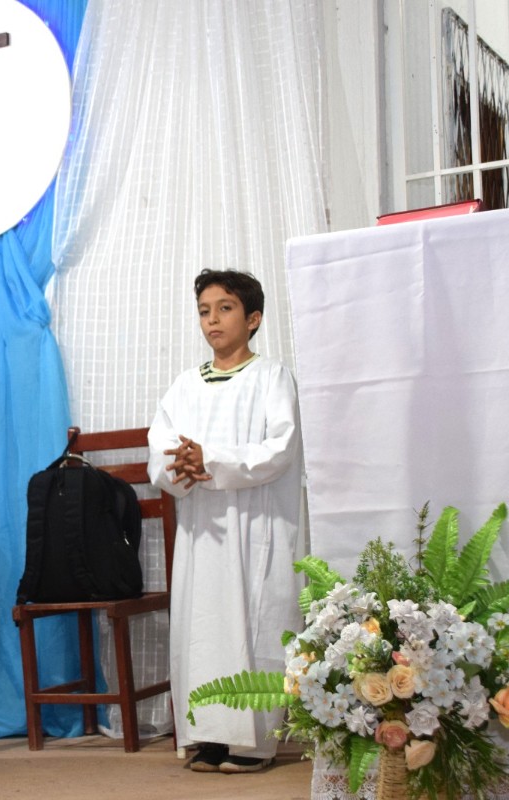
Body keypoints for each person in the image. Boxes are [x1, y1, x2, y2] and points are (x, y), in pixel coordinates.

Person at [146, 269, 302, 774]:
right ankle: (209, 733)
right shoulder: (185, 384)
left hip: (255, 524)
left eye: (225, 308)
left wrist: (208, 460)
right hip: (202, 525)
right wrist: (180, 466)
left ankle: (253, 741)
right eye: (204, 311)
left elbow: (279, 449)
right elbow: (160, 446)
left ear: (253, 318)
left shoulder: (272, 377)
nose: (212, 320)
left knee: (254, 620)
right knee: (204, 625)